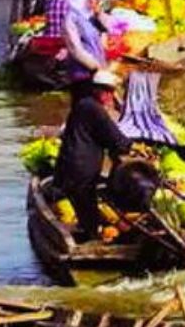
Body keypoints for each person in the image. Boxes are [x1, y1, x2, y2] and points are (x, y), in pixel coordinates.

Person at [55, 69, 131, 242]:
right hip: (81, 168)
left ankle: (90, 231)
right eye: (109, 92)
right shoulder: (94, 109)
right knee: (87, 205)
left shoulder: (83, 105)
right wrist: (131, 146)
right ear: (98, 91)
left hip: (72, 165)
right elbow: (114, 138)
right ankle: (92, 237)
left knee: (84, 205)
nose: (112, 96)